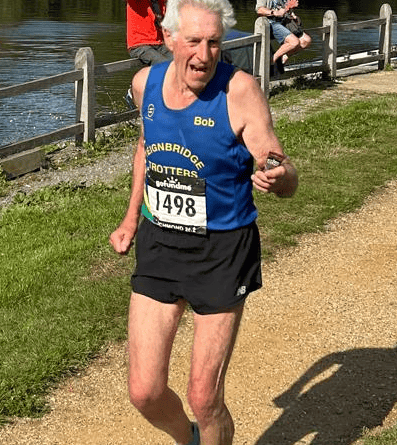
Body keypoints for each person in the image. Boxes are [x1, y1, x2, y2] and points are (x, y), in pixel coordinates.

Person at [110, 0, 298, 444]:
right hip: (159, 245)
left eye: (213, 42)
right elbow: (145, 147)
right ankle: (190, 439)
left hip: (222, 251)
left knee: (203, 395)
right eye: (193, 41)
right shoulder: (145, 84)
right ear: (169, 39)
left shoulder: (240, 91)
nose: (203, 54)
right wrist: (131, 217)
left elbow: (282, 169)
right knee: (145, 391)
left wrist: (280, 176)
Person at [256, 0, 312, 73]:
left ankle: (282, 57)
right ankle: (271, 61)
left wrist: (293, 16)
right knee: (294, 42)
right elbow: (260, 10)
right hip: (271, 23)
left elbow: (288, 9)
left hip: (285, 22)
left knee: (306, 40)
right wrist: (274, 13)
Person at [126, 0, 172, 65]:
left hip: (160, 44)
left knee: (180, 61)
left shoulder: (160, 2)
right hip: (139, 45)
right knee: (164, 65)